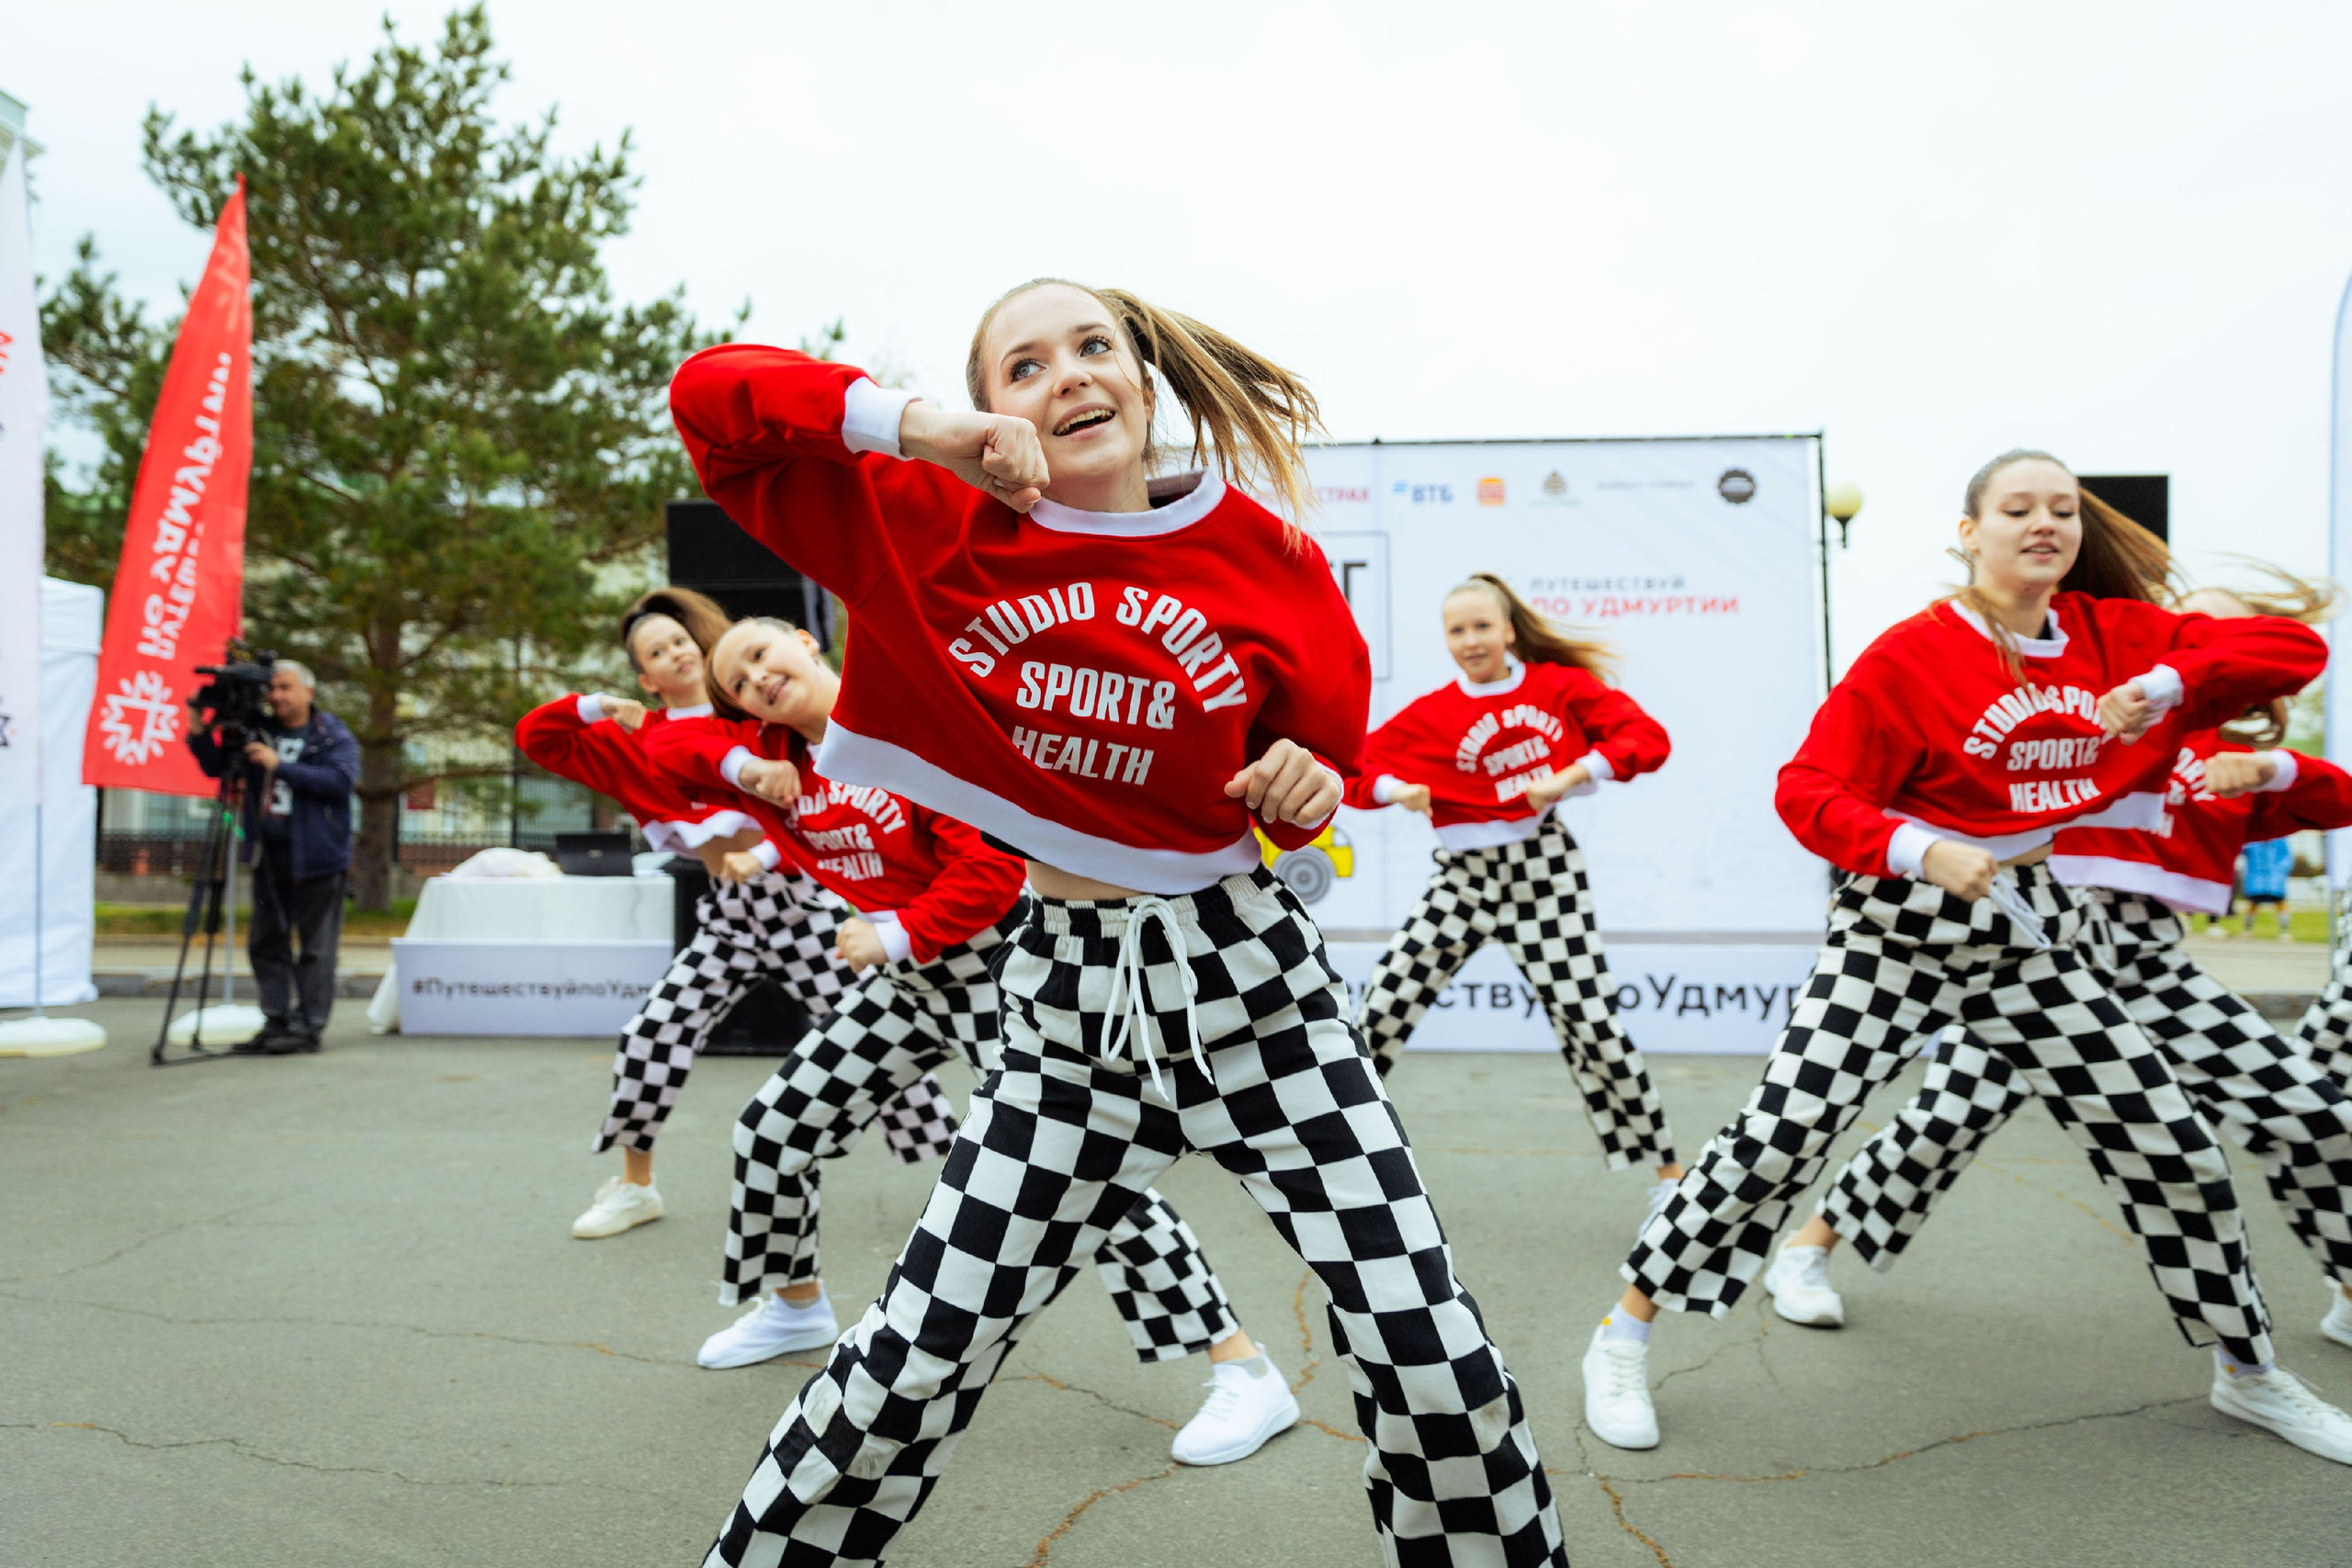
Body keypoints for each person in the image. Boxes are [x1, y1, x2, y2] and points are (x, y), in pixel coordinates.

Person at [671, 279, 1567, 1565]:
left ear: (1143, 381)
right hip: (1063, 1017)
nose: (1070, 374)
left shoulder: (1268, 555)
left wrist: (1306, 784)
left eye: (1095, 347)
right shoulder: (925, 520)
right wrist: (915, 427)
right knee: (907, 1359)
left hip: (1260, 994)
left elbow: (1315, 758)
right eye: (1025, 364)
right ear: (995, 408)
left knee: (1435, 1360)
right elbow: (712, 402)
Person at [1579, 449, 2352, 1466]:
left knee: (2172, 1144)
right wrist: (1919, 848)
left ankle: (2245, 1371)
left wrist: (2165, 682)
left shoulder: (2117, 638)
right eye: (2016, 508)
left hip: (2034, 929)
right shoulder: (1914, 655)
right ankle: (1623, 1332)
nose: (2044, 523)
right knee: (1782, 1135)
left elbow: (2288, 650)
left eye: (2063, 510)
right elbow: (1808, 790)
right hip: (1897, 927)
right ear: (1967, 531)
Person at [662, 613, 1297, 1465]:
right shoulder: (784, 769)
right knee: (775, 1127)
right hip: (910, 987)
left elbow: (994, 862)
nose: (754, 679)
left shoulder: (900, 723)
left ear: (806, 643)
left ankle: (1243, 1366)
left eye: (760, 654)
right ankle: (796, 1302)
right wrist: (739, 767)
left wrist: (895, 931)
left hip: (1000, 975)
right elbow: (652, 759)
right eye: (736, 682)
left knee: (1082, 1172)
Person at [1774, 585, 2352, 1381]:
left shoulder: (2225, 761)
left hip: (2152, 967)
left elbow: (2333, 784)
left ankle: (2345, 1286)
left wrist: (2272, 765)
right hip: (2044, 953)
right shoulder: (2094, 721)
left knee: (2317, 1114)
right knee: (1944, 1120)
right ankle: (1809, 1249)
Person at [515, 588, 907, 1243]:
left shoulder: (759, 717)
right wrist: (594, 705)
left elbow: (821, 804)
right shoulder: (637, 738)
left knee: (892, 1040)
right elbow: (539, 738)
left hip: (807, 912)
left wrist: (774, 854)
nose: (674, 654)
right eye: (655, 652)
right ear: (644, 676)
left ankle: (964, 1179)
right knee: (650, 1033)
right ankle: (635, 1184)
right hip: (730, 920)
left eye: (680, 641)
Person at [1349, 570, 1681, 1210]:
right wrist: (1400, 791)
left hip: (1543, 872)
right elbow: (1355, 764)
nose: (1470, 641)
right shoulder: (1433, 714)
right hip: (1464, 881)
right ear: (1445, 639)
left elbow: (1646, 739)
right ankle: (1335, 1146)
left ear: (1508, 630)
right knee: (1384, 1003)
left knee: (1590, 1018)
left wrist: (1573, 774)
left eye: (1481, 626)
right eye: (1456, 630)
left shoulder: (1560, 688)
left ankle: (1667, 1177)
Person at [187, 660, 357, 1055]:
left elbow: (340, 781)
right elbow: (217, 768)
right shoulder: (258, 731)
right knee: (266, 942)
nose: (277, 696)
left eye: (286, 687)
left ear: (308, 692)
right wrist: (198, 727)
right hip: (267, 853)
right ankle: (275, 1020)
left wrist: (280, 766)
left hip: (318, 858)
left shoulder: (331, 734)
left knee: (316, 948)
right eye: (273, 689)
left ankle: (307, 1026)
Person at [2235, 835, 2297, 941]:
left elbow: (2287, 857)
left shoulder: (2280, 839)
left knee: (2281, 904)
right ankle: (2247, 929)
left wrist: (2281, 872)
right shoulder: (2253, 840)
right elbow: (2240, 849)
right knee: (2252, 904)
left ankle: (2284, 931)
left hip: (2275, 878)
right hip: (2256, 878)